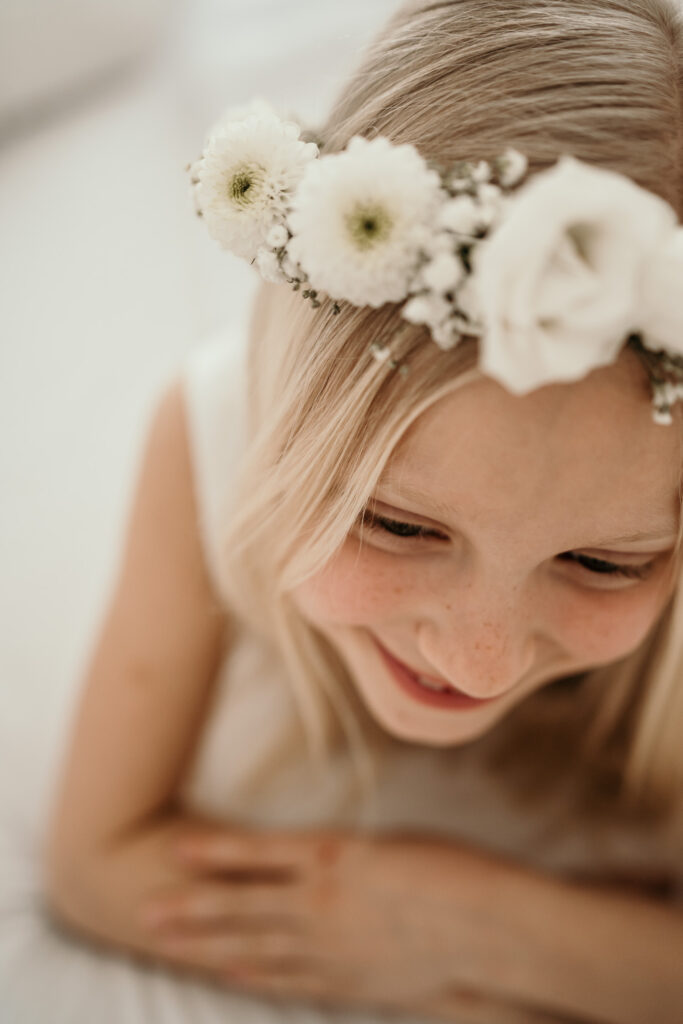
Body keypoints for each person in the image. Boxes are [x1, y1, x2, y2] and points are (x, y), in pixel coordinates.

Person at [5, 1, 683, 1022]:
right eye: (401, 527)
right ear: (291, 427)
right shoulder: (209, 437)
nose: (476, 659)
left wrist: (477, 926)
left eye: (604, 562)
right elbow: (95, 863)